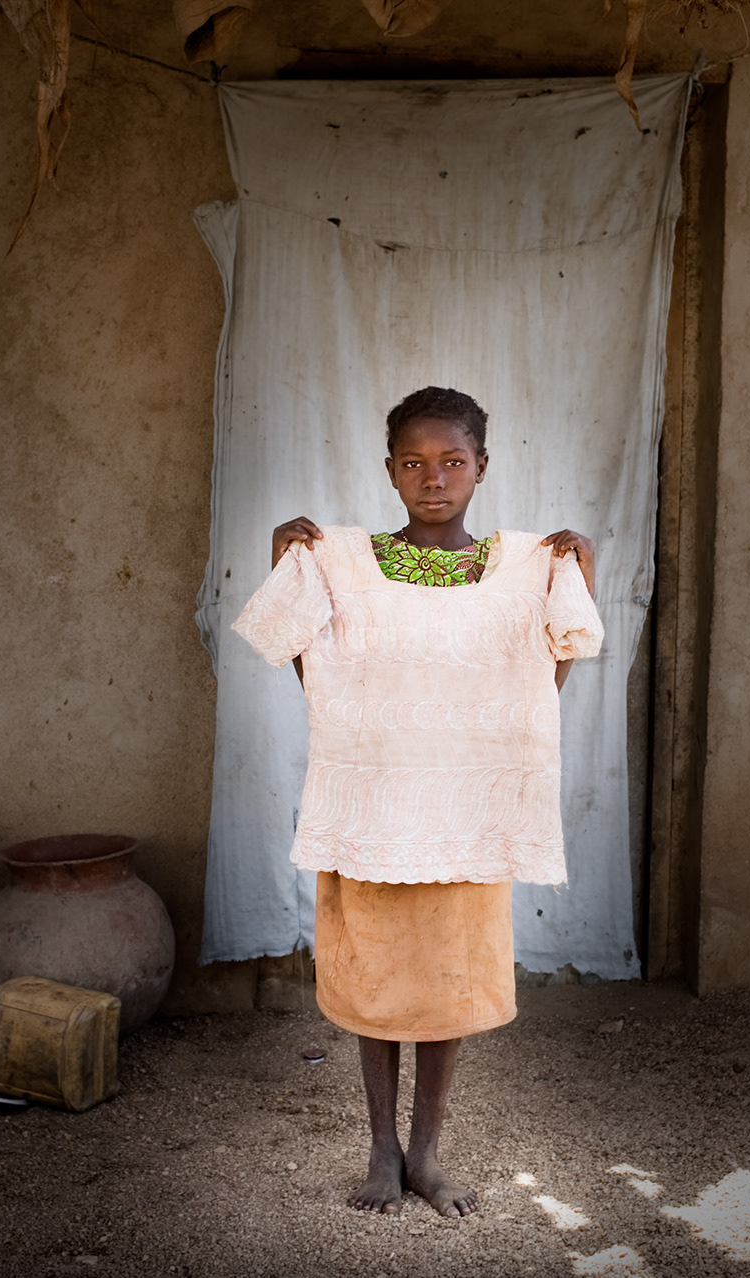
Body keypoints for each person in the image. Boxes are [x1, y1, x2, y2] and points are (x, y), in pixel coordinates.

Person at [229, 385, 602, 1217]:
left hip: (467, 824)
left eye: (452, 462)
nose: (434, 478)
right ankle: (381, 1148)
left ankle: (428, 1151)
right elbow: (317, 673)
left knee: (445, 988)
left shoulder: (522, 573)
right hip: (374, 820)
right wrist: (283, 557)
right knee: (376, 985)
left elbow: (536, 689)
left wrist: (581, 574)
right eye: (414, 462)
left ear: (482, 468)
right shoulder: (345, 566)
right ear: (391, 471)